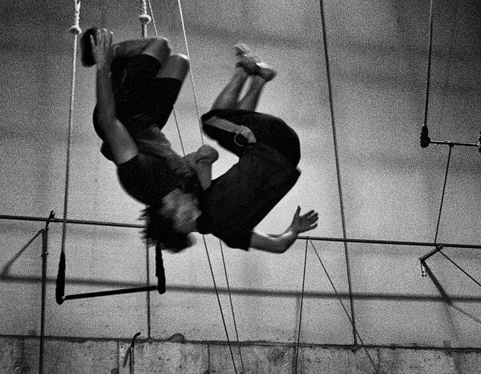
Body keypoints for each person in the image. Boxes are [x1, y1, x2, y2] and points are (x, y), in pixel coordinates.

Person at [146, 45, 318, 253]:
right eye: (174, 204)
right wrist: (202, 162)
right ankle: (245, 69)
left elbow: (279, 245)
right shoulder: (202, 199)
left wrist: (294, 229)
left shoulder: (229, 233)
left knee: (236, 130)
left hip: (284, 155)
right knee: (212, 122)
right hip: (271, 141)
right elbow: (202, 159)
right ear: (180, 220)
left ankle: (260, 76)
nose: (178, 197)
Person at [84, 27, 218, 210]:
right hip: (150, 121)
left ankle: (110, 55)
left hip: (121, 116)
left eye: (188, 217)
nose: (194, 214)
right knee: (180, 62)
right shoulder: (192, 194)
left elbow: (108, 122)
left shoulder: (143, 184)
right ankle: (123, 65)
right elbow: (195, 161)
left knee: (160, 45)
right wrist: (208, 157)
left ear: (168, 216)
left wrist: (102, 66)